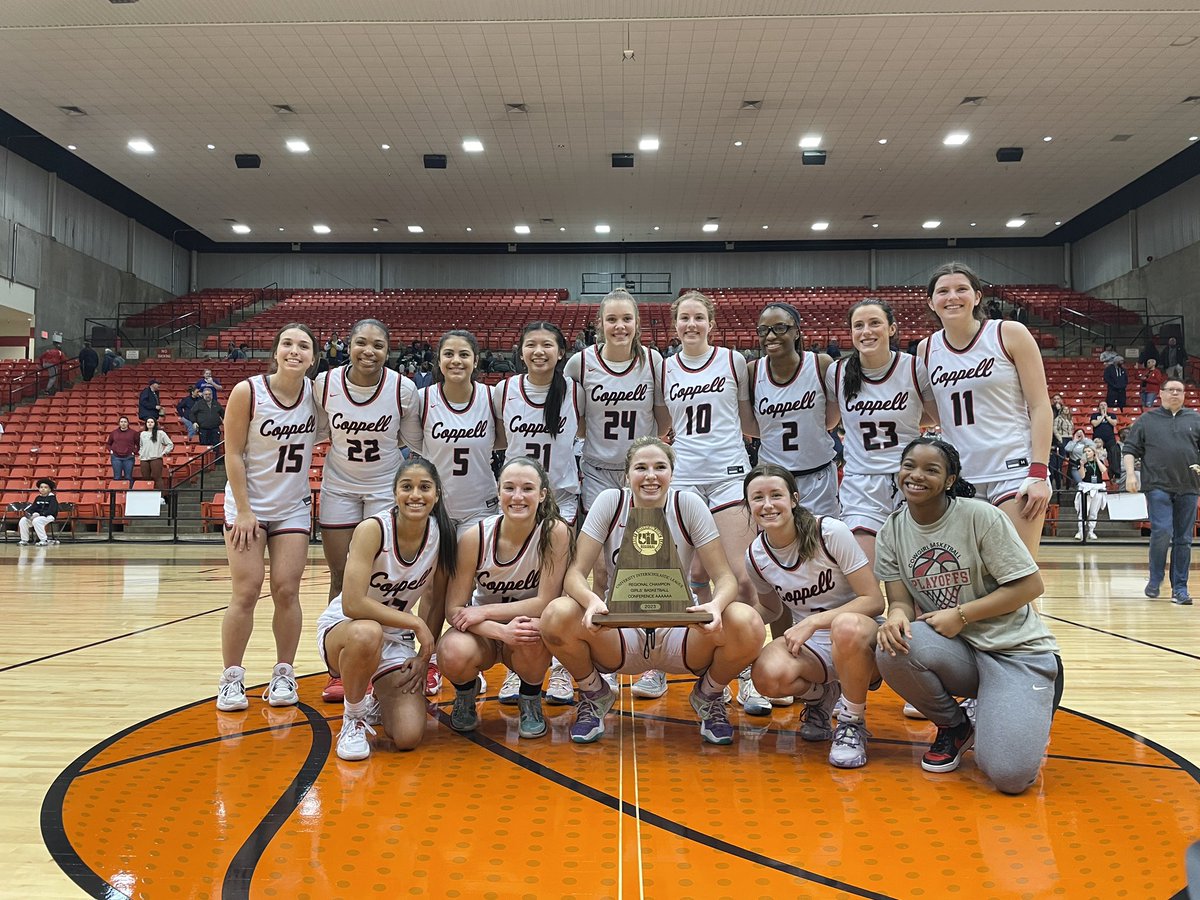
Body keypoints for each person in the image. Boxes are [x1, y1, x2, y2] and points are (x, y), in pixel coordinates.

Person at [540, 437, 765, 745]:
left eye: (660, 467)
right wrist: (591, 600)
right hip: (620, 633)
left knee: (747, 621)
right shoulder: (611, 501)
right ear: (627, 474)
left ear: (672, 473)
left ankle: (708, 695)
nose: (650, 476)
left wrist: (715, 606)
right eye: (640, 468)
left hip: (680, 631)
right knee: (556, 615)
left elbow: (724, 577)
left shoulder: (687, 503)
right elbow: (574, 575)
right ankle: (594, 693)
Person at [875, 437, 1063, 795]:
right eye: (909, 466)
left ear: (949, 480)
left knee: (1009, 777)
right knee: (892, 646)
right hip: (960, 652)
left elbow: (1030, 586)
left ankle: (1028, 701)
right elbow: (898, 599)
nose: (916, 475)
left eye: (931, 469)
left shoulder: (980, 516)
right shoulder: (892, 530)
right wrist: (896, 616)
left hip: (1017, 653)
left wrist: (961, 615)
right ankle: (956, 727)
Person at [564, 289, 671, 700]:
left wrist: (650, 462)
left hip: (640, 474)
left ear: (637, 323)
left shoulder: (653, 362)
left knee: (651, 565)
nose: (619, 326)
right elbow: (571, 414)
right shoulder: (581, 362)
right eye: (612, 319)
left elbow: (661, 417)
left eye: (627, 318)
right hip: (596, 471)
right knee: (603, 570)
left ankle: (654, 658)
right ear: (599, 324)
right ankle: (608, 656)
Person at [659, 290, 762, 711]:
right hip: (682, 479)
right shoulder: (664, 369)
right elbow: (663, 422)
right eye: (684, 318)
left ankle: (748, 671)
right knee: (673, 579)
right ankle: (659, 658)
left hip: (727, 476)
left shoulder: (732, 360)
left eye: (698, 317)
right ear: (675, 324)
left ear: (711, 323)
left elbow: (747, 419)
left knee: (740, 578)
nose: (691, 325)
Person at [316, 458, 458, 761]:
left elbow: (435, 602)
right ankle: (353, 717)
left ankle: (378, 698)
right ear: (394, 493)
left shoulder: (442, 535)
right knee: (369, 632)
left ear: (437, 494)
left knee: (408, 736)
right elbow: (352, 603)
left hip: (396, 638)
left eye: (424, 487)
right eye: (406, 487)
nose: (415, 495)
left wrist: (425, 658)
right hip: (347, 630)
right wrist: (412, 622)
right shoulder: (373, 529)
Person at [743, 465, 885, 768]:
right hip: (814, 646)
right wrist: (729, 624)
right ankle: (821, 696)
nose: (767, 505)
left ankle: (851, 721)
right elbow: (771, 610)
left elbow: (873, 601)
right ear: (749, 505)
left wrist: (813, 621)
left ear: (794, 499)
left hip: (859, 635)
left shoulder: (830, 532)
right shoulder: (756, 555)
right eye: (757, 498)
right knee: (766, 674)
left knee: (845, 627)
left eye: (775, 495)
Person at [314, 319, 420, 703]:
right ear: (349, 345)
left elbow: (414, 441)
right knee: (341, 573)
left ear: (387, 350)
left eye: (377, 345)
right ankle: (338, 666)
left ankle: (397, 651)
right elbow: (318, 431)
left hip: (383, 488)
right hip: (339, 485)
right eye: (361, 343)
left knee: (389, 577)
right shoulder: (325, 384)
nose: (368, 351)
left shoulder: (402, 389)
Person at [215, 323, 319, 713]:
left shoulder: (317, 394)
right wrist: (243, 509)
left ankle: (283, 672)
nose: (295, 351)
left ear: (313, 357)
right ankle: (231, 677)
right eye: (287, 344)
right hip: (249, 506)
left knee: (287, 590)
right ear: (275, 351)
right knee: (246, 591)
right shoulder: (249, 391)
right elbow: (233, 453)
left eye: (304, 346)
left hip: (292, 505)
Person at [920, 262, 1052, 559]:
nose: (952, 297)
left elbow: (1041, 406)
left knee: (1015, 572)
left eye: (961, 289)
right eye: (943, 291)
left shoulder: (1009, 333)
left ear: (977, 297)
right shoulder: (926, 349)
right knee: (971, 578)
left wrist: (1039, 473)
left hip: (1013, 469)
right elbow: (935, 414)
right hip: (961, 475)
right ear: (931, 302)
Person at [439, 458, 575, 738]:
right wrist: (500, 630)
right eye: (509, 488)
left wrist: (485, 613)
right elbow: (454, 609)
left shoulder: (555, 533)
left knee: (534, 632)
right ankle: (465, 693)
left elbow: (544, 602)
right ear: (498, 492)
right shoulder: (475, 536)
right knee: (451, 650)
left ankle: (530, 698)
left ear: (542, 494)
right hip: (485, 633)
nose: (517, 497)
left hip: (522, 628)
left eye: (527, 488)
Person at [492, 321, 583, 704]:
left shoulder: (575, 392)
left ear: (561, 352)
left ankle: (561, 669)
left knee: (561, 588)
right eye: (532, 345)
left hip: (561, 495)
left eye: (548, 345)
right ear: (521, 350)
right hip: (519, 497)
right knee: (526, 583)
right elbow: (496, 437)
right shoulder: (504, 390)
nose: (539, 352)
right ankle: (520, 669)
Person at [828, 299, 936, 568]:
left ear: (892, 329)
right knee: (864, 579)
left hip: (910, 480)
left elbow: (937, 415)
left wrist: (907, 421)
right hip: (861, 484)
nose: (866, 331)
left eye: (875, 323)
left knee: (917, 580)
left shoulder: (914, 367)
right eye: (858, 325)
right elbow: (829, 421)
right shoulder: (837, 372)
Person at [1122, 379, 1200, 605]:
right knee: (1162, 531)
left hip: (1188, 486)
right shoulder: (1147, 420)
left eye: (1179, 390)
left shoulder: (1195, 419)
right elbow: (1129, 449)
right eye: (1171, 390)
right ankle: (1155, 579)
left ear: (1185, 395)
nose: (1175, 393)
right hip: (1157, 486)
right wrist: (1130, 474)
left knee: (1184, 539)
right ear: (1161, 393)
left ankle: (1180, 589)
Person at [1073, 446, 1108, 541]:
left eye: (1089, 451)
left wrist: (1096, 459)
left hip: (1097, 488)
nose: (1087, 453)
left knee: (1093, 512)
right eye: (1085, 451)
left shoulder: (1098, 461)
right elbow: (1082, 476)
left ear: (1093, 452)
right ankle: (1080, 531)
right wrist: (1082, 465)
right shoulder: (1080, 462)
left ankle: (1091, 531)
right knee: (1083, 511)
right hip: (1086, 488)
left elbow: (1103, 470)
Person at [17, 478, 60, 546]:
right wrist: (29, 514)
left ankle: (43, 540)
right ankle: (24, 540)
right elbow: (33, 507)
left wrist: (40, 515)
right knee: (23, 520)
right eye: (41, 487)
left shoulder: (52, 498)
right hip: (37, 516)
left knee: (37, 521)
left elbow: (52, 510)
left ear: (49, 489)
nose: (43, 489)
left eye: (45, 487)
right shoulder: (38, 498)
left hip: (49, 516)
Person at [137, 417, 174, 491]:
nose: (150, 423)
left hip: (156, 458)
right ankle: (148, 495)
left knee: (157, 477)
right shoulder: (142, 434)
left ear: (155, 423)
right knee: (146, 478)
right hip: (144, 459)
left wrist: (164, 452)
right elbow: (141, 445)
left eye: (151, 422)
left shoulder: (160, 433)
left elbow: (170, 444)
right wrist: (141, 453)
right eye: (148, 422)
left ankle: (162, 497)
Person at [1090, 401, 1121, 481]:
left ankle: (1114, 474)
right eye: (1101, 405)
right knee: (1096, 455)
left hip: (1110, 438)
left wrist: (1106, 416)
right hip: (1098, 439)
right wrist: (1102, 416)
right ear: (1098, 407)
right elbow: (1095, 424)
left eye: (1105, 405)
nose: (1103, 406)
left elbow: (1114, 423)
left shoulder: (1112, 415)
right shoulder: (1094, 415)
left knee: (1113, 454)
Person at [107, 416, 139, 484]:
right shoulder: (113, 433)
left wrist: (134, 452)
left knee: (128, 477)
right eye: (121, 422)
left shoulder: (134, 433)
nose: (123, 423)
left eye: (125, 422)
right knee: (117, 477)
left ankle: (129, 493)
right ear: (119, 423)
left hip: (129, 458)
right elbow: (108, 444)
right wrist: (111, 450)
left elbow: (139, 445)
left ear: (128, 423)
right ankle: (117, 494)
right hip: (116, 457)